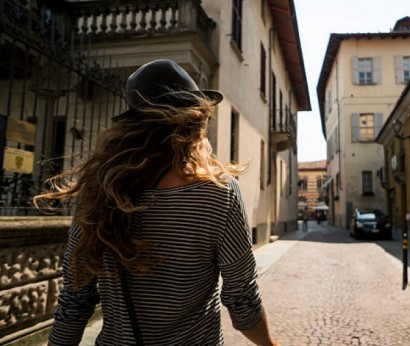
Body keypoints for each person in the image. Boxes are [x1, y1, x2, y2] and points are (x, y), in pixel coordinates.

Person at [35, 59, 277, 346]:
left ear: (131, 127)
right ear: (194, 120)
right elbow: (242, 298)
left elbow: (75, 299)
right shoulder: (218, 193)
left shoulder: (100, 191)